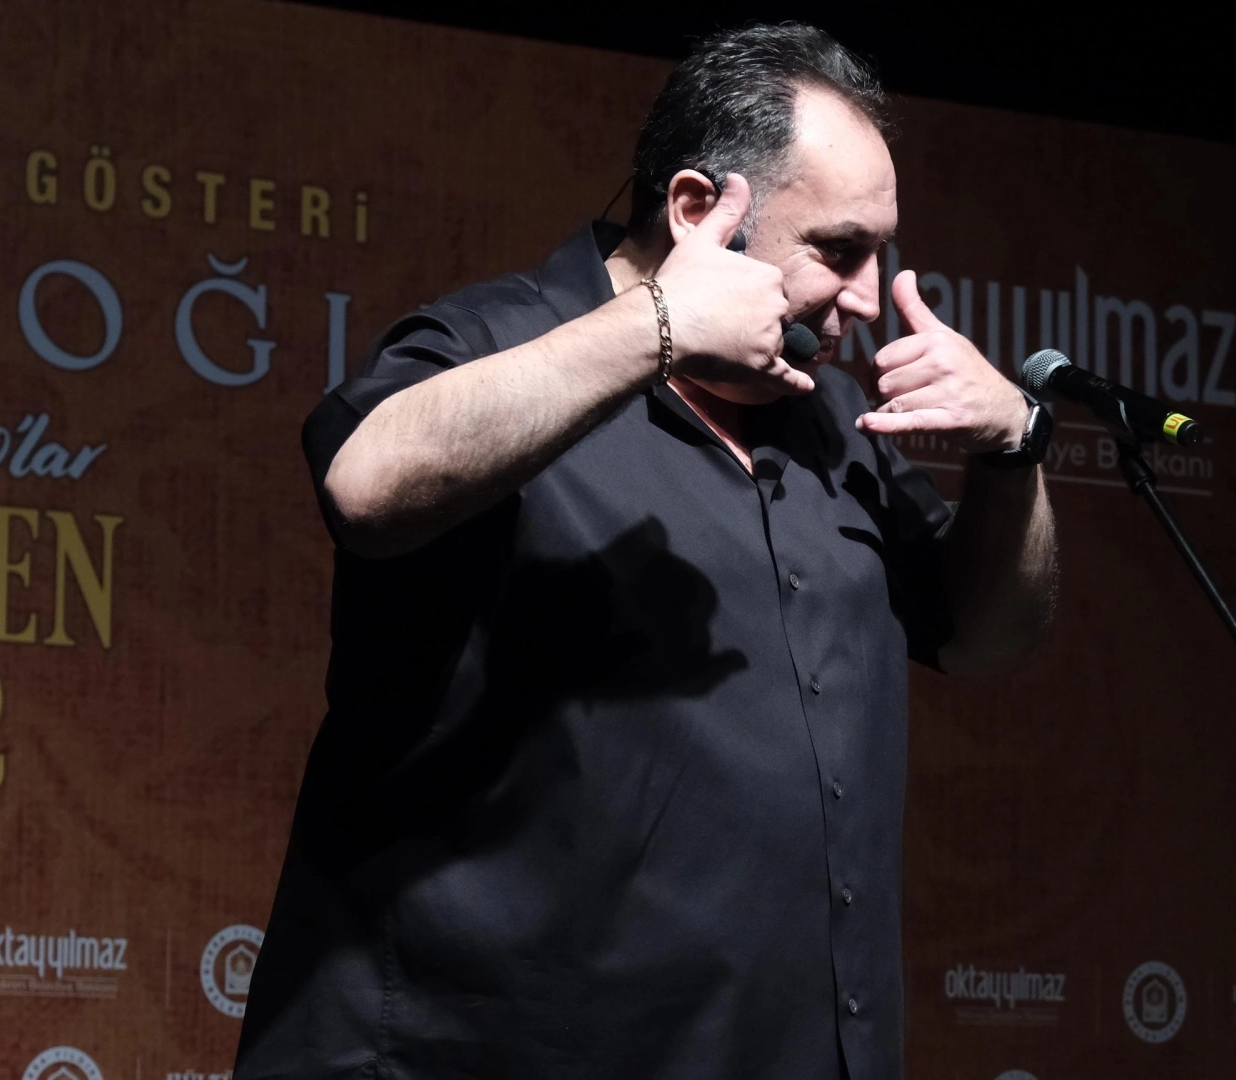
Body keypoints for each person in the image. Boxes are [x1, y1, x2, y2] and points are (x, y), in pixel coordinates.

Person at [235, 22, 1055, 1080]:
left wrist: (1013, 450)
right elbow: (365, 482)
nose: (866, 296)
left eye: (879, 254)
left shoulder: (828, 422)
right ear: (696, 210)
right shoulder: (501, 338)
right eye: (838, 250)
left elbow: (987, 640)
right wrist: (655, 325)